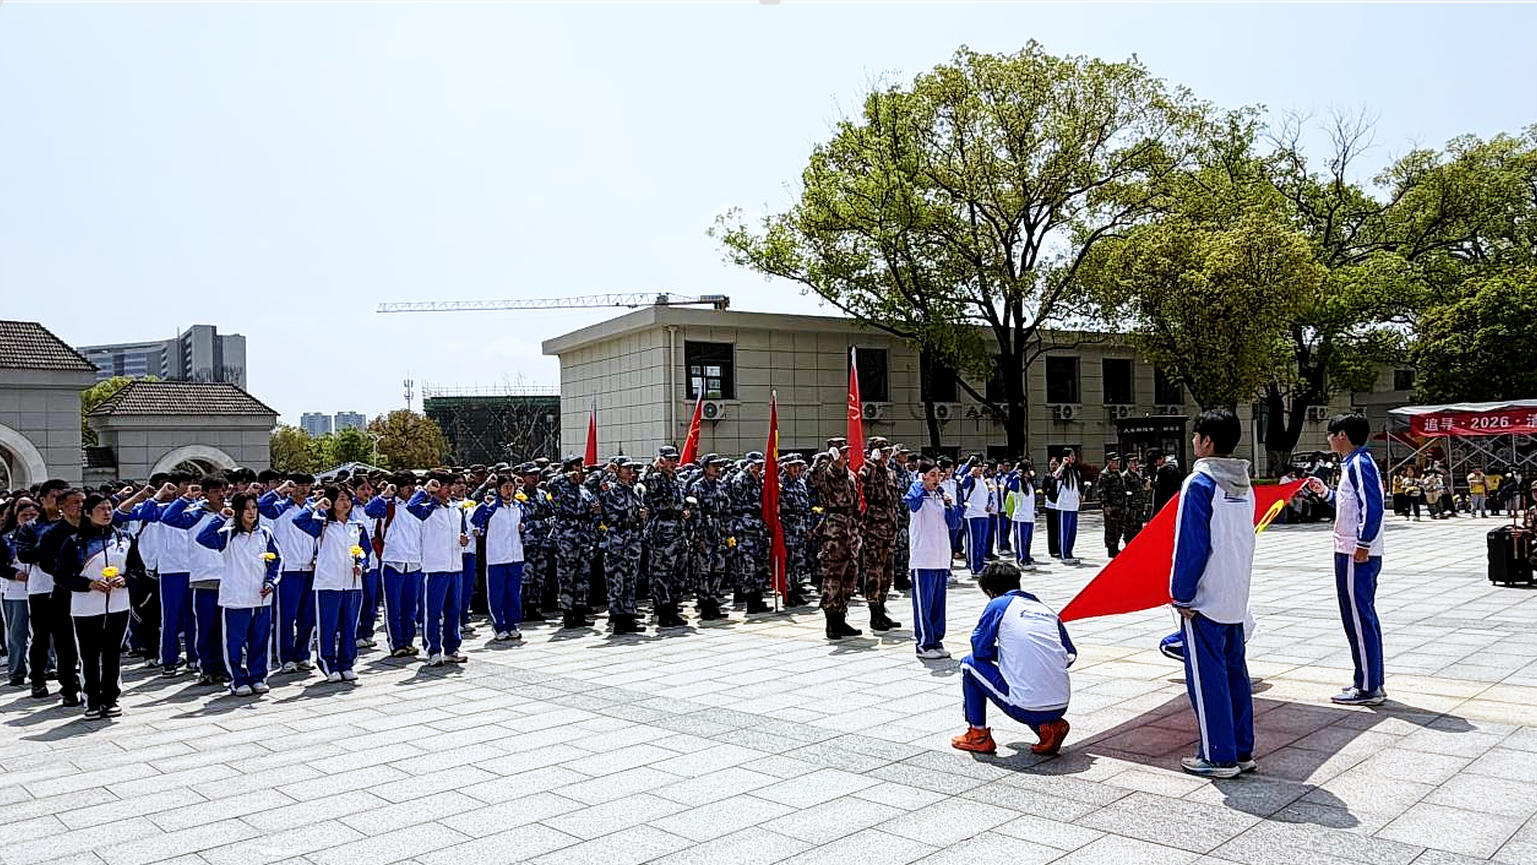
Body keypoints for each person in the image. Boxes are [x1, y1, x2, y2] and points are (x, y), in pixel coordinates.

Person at [1170, 409, 1257, 778]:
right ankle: (1240, 749)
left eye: (1196, 436)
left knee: (1207, 679)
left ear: (1206, 441)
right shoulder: (1244, 482)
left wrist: (1181, 594)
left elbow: (1190, 545)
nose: (1193, 443)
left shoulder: (1200, 483)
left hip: (1205, 598)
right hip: (1235, 594)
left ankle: (1217, 755)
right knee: (1235, 673)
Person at [951, 561, 1074, 756]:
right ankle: (1048, 727)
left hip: (1026, 706)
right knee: (1031, 681)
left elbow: (979, 649)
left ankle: (978, 735)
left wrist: (1004, 654)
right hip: (1061, 703)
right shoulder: (1046, 610)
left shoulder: (998, 604)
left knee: (969, 665)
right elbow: (1070, 655)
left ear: (991, 591)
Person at [1308, 413, 1387, 706]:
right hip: (1350, 549)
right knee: (1361, 616)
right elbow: (1348, 505)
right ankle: (1372, 679)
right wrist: (1325, 492)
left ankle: (1367, 686)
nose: (1329, 439)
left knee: (1357, 617)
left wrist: (1364, 543)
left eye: (1331, 433)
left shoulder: (1359, 464)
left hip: (1355, 552)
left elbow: (1373, 506)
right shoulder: (1350, 465)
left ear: (1342, 435)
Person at [53, 494, 134, 719]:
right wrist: (88, 584)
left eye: (109, 508)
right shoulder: (75, 542)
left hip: (118, 605)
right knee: (89, 655)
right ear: (88, 513)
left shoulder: (124, 538)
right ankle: (92, 700)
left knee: (112, 654)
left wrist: (125, 579)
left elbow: (137, 569)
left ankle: (110, 699)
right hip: (86, 607)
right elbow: (61, 576)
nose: (107, 513)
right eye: (101, 509)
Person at [196, 492, 280, 696]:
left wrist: (271, 581)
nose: (251, 513)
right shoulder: (227, 534)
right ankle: (238, 679)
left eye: (254, 508)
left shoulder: (266, 533)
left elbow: (277, 560)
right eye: (246, 508)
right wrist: (221, 517)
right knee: (235, 641)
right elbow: (203, 538)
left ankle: (258, 676)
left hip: (261, 597)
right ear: (238, 511)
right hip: (236, 597)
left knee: (260, 639)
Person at [293, 485, 371, 683]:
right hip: (328, 583)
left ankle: (347, 663)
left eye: (347, 499)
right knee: (327, 626)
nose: (345, 503)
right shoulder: (323, 524)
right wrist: (316, 506)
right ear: (332, 503)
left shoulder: (357, 526)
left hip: (353, 583)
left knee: (349, 625)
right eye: (340, 499)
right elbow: (298, 520)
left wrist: (361, 564)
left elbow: (365, 551)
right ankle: (328, 664)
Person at [15, 481, 83, 705]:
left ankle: (73, 679)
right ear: (42, 500)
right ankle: (37, 678)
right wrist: (52, 553)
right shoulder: (32, 527)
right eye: (54, 496)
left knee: (68, 637)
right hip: (42, 588)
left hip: (72, 587)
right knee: (42, 636)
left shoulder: (79, 524)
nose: (58, 500)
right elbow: (25, 555)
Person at [258, 474, 319, 674]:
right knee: (286, 616)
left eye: (307, 485)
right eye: (298, 485)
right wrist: (280, 490)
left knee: (308, 616)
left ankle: (303, 654)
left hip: (310, 568)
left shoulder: (315, 507)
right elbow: (262, 507)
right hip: (288, 569)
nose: (303, 489)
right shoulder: (280, 506)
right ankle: (286, 656)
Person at [408, 474, 470, 665]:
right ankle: (433, 650)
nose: (450, 489)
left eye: (450, 485)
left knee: (454, 610)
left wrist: (463, 539)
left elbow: (463, 532)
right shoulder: (428, 509)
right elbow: (411, 507)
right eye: (445, 486)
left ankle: (452, 648)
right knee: (433, 612)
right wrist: (426, 491)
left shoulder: (456, 509)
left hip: (455, 567)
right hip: (435, 567)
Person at [364, 472, 425, 657]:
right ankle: (396, 643)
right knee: (394, 607)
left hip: (414, 561)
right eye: (406, 485)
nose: (410, 488)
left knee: (410, 607)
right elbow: (369, 510)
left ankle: (408, 641)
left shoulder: (418, 507)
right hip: (392, 561)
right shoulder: (387, 506)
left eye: (412, 485)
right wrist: (385, 494)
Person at [811, 444, 863, 639]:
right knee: (833, 576)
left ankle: (841, 618)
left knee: (850, 576)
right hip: (834, 529)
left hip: (850, 529)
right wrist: (825, 458)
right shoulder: (827, 474)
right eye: (841, 452)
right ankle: (831, 622)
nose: (845, 456)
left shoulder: (849, 475)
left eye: (846, 452)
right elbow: (813, 477)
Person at [905, 459, 952, 659]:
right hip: (923, 558)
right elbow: (912, 501)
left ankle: (936, 640)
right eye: (932, 475)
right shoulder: (918, 494)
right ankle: (924, 644)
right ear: (922, 476)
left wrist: (950, 504)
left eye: (938, 475)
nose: (936, 479)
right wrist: (919, 482)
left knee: (938, 605)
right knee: (924, 604)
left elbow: (954, 522)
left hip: (941, 558)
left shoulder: (938, 496)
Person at [471, 473, 527, 641]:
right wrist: (483, 505)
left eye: (511, 487)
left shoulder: (519, 506)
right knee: (497, 593)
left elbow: (526, 522)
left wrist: (524, 528)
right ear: (498, 489)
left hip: (516, 556)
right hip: (497, 556)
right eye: (505, 487)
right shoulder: (493, 506)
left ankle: (512, 624)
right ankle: (498, 625)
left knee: (514, 592)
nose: (509, 491)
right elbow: (476, 519)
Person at [857, 439, 901, 631]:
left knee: (887, 573)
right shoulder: (868, 469)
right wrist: (872, 463)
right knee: (873, 572)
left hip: (889, 528)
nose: (885, 455)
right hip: (874, 529)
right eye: (881, 452)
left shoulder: (891, 472)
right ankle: (874, 614)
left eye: (887, 452)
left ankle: (882, 610)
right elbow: (863, 480)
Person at [2, 497, 38, 687]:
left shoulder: (45, 534)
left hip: (41, 588)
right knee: (17, 633)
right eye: (24, 515)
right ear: (16, 517)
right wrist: (14, 574)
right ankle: (16, 671)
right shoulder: (6, 538)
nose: (28, 519)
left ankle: (46, 667)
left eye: (33, 515)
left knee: (42, 632)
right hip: (16, 591)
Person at [959, 460, 995, 576]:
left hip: (984, 514)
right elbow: (962, 484)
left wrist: (990, 504)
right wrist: (969, 473)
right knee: (974, 542)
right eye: (977, 466)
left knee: (982, 542)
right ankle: (974, 566)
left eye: (981, 466)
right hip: (972, 514)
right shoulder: (969, 479)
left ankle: (980, 562)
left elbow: (988, 494)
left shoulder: (983, 480)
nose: (980, 469)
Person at [1005, 460, 1037, 568]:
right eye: (1028, 470)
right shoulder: (1018, 482)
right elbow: (1009, 484)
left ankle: (1027, 559)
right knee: (1021, 541)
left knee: (1028, 541)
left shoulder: (1030, 484)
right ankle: (1021, 561)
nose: (1030, 472)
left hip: (1030, 517)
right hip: (1020, 517)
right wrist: (1016, 473)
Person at [1054, 450, 1084, 565]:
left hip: (1073, 506)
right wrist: (1063, 464)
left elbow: (1077, 486)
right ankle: (1063, 554)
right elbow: (1055, 475)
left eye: (1074, 455)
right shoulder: (1063, 470)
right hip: (1064, 505)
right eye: (1071, 455)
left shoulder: (1075, 471)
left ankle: (1069, 552)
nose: (1073, 457)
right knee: (1064, 531)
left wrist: (1079, 496)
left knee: (1072, 531)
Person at [1099, 454, 1127, 558]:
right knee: (1111, 528)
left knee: (1119, 528)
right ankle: (1111, 549)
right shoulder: (1104, 475)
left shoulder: (1118, 473)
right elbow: (1102, 492)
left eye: (1118, 461)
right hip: (1111, 506)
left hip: (1120, 506)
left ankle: (1116, 546)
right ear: (1109, 462)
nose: (1117, 463)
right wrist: (1106, 505)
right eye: (1114, 461)